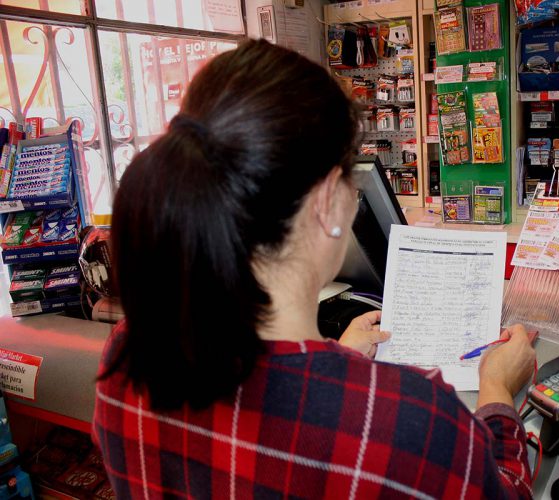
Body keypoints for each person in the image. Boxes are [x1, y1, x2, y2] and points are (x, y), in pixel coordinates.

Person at [93, 39, 536, 499]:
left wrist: (337, 356)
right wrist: (497, 389)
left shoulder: (128, 355)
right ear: (327, 202)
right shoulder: (410, 419)